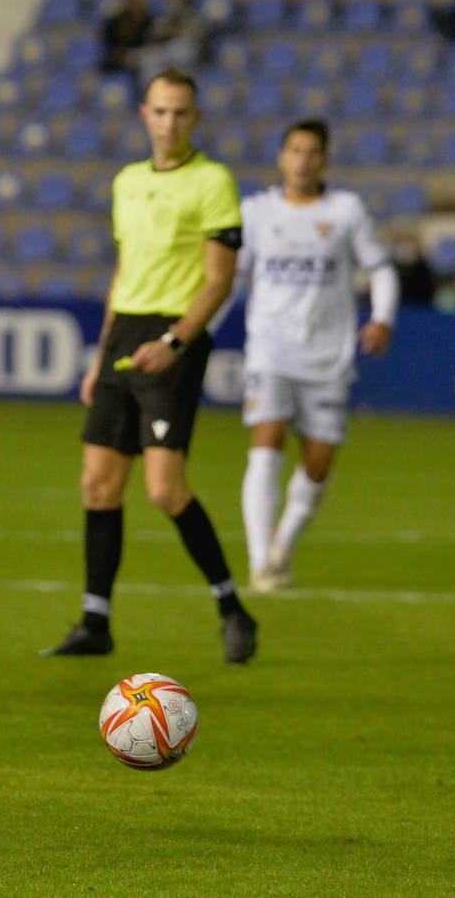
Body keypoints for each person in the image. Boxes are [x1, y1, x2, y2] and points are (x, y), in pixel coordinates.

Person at [41, 68, 258, 664]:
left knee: (165, 490)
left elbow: (219, 281)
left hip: (173, 337)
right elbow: (124, 273)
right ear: (145, 114)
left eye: (181, 112)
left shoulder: (213, 182)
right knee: (98, 485)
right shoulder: (127, 181)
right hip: (124, 334)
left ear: (196, 118)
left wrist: (176, 342)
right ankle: (95, 622)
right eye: (160, 112)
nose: (169, 123)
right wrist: (99, 354)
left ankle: (233, 608)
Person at [238, 119, 399, 592]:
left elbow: (381, 268)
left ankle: (282, 545)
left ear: (324, 159)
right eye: (294, 150)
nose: (302, 160)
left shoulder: (346, 211)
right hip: (270, 349)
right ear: (281, 157)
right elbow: (228, 277)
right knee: (265, 444)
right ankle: (258, 561)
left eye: (312, 152)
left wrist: (383, 317)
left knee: (318, 463)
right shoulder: (257, 212)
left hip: (327, 357)